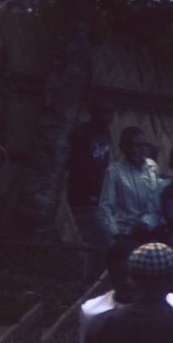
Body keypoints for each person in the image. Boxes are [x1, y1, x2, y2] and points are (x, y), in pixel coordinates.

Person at [67, 101, 115, 286]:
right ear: (92, 112)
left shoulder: (105, 134)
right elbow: (79, 169)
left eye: (110, 114)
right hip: (83, 196)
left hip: (99, 195)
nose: (107, 118)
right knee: (100, 240)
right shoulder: (82, 134)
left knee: (98, 242)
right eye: (103, 113)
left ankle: (92, 282)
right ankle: (90, 282)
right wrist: (93, 192)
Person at [99, 125, 166, 240]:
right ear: (122, 147)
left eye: (140, 145)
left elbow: (156, 204)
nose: (136, 150)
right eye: (130, 146)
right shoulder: (114, 171)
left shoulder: (152, 167)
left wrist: (148, 223)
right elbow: (105, 207)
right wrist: (116, 234)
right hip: (126, 233)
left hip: (151, 230)